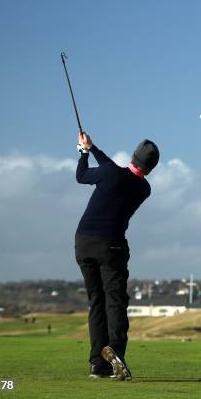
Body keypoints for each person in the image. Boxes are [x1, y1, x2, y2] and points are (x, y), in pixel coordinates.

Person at [75, 131, 159, 381]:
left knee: (97, 302)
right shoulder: (144, 188)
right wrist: (93, 149)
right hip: (111, 246)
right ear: (151, 168)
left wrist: (84, 152)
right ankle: (116, 354)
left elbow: (82, 176)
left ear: (133, 156)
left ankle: (96, 365)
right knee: (115, 302)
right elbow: (114, 169)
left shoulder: (110, 173)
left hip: (83, 243)